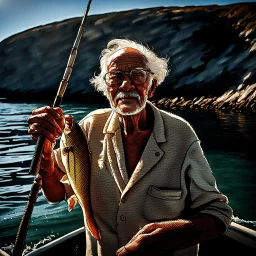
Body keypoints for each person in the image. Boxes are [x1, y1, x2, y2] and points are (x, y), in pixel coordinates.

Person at [28, 39, 233, 256]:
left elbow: (218, 214)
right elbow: (56, 192)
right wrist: (46, 153)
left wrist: (168, 237)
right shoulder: (89, 128)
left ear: (152, 86)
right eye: (115, 77)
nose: (126, 85)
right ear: (106, 89)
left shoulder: (181, 135)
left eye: (137, 75)